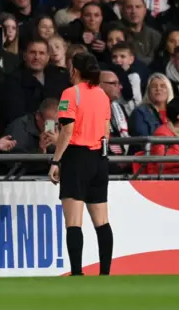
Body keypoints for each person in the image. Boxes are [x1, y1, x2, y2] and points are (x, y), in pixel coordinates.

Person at [48, 52, 113, 276]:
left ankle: (77, 273)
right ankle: (105, 273)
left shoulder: (70, 93)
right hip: (99, 159)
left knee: (74, 222)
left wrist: (55, 160)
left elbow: (67, 132)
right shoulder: (103, 95)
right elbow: (106, 132)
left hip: (77, 157)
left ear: (74, 70)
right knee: (102, 221)